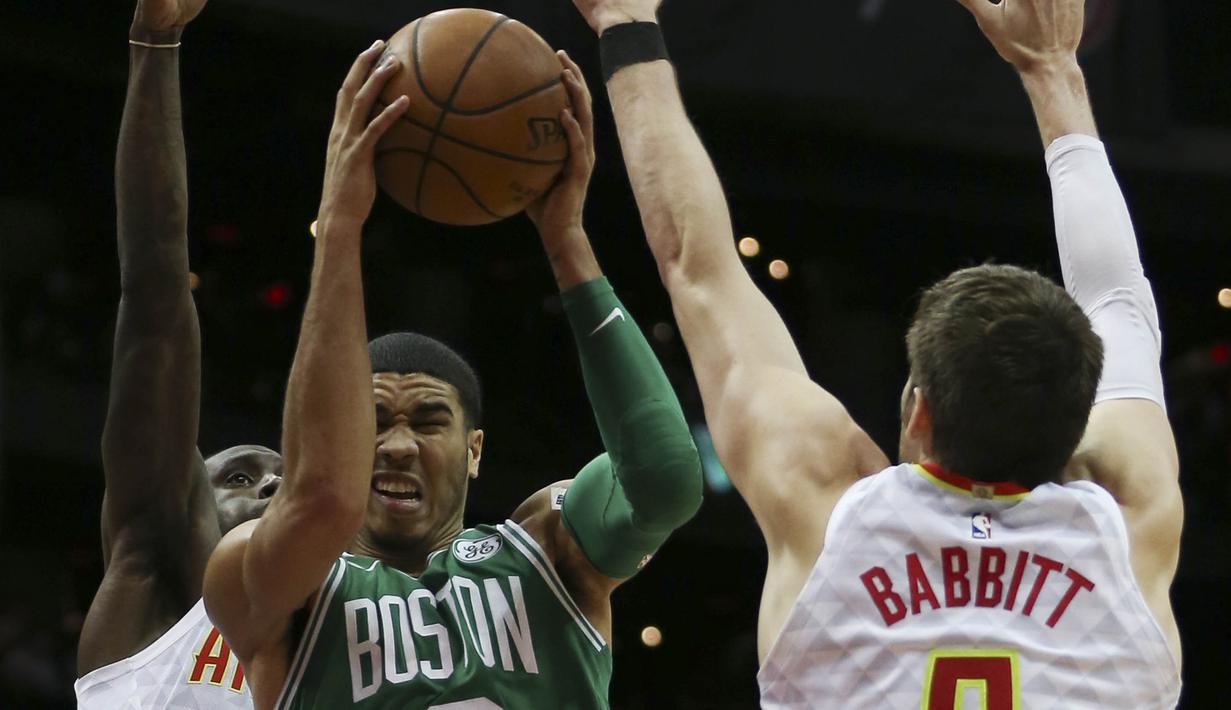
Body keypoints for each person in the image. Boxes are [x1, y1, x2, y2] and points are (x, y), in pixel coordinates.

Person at [569, 0, 1182, 705]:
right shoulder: (1128, 522)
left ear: (917, 411)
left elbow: (695, 265)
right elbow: (1117, 299)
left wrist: (626, 24)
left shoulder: (829, 510)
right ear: (1079, 430)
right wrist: (1054, 72)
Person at [202, 40, 703, 709]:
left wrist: (567, 245)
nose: (398, 445)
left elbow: (666, 480)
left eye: (429, 421)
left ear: (475, 451)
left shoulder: (546, 552)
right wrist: (341, 229)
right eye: (374, 422)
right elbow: (321, 497)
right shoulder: (260, 576)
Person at [74, 1, 282, 707]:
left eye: (282, 480)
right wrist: (155, 42)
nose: (270, 488)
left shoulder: (331, 660)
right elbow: (157, 294)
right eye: (241, 476)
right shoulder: (157, 565)